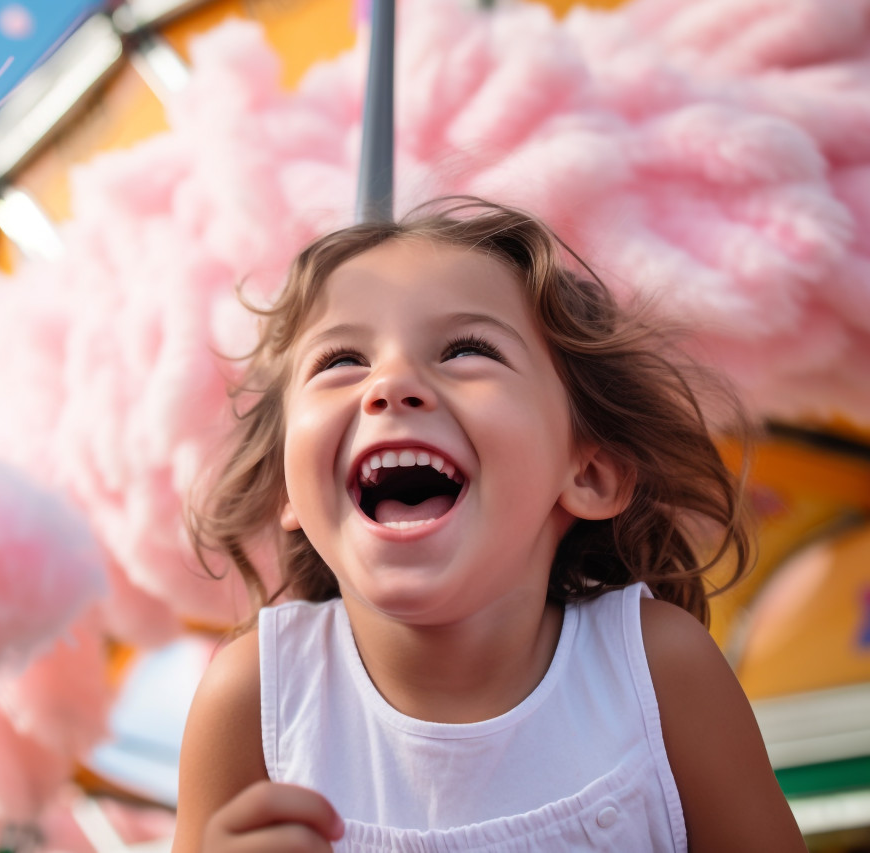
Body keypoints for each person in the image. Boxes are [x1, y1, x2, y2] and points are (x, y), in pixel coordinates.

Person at [174, 198, 807, 852]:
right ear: (288, 486)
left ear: (589, 472)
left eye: (466, 350)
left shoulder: (658, 669)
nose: (390, 383)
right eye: (340, 361)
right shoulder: (253, 699)